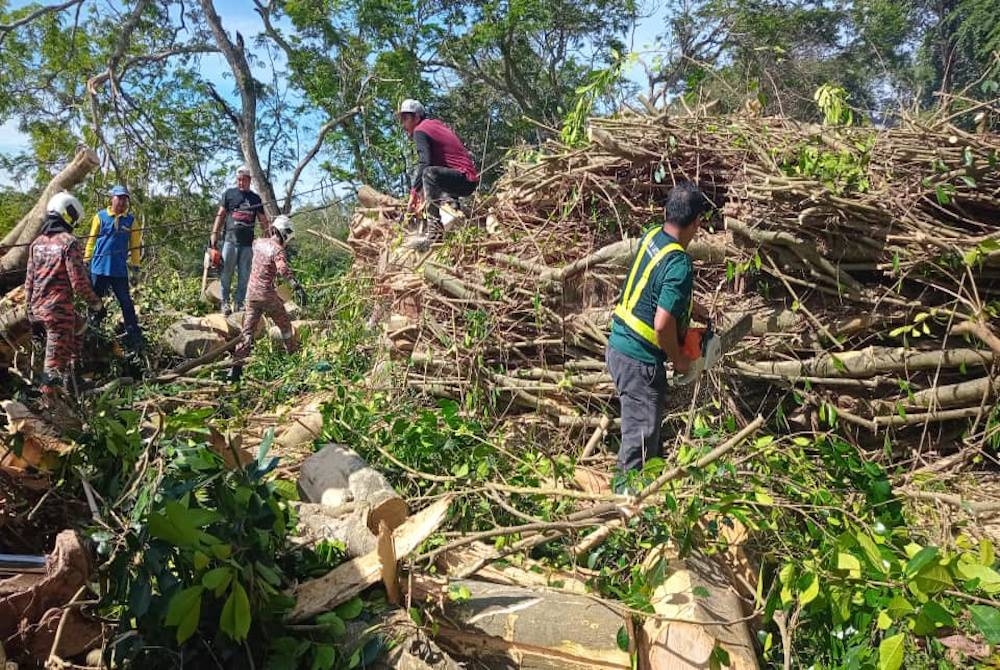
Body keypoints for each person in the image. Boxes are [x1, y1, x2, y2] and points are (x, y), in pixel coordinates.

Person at [605, 181, 712, 484]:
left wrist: (694, 307)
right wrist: (678, 358)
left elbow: (657, 286)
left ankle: (643, 495)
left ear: (666, 211)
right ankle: (624, 510)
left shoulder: (653, 235)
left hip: (618, 347)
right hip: (638, 361)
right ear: (696, 223)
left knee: (644, 434)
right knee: (639, 441)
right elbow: (663, 324)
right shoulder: (679, 263)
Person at [25, 191, 104, 396]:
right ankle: (50, 410)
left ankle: (72, 378)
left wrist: (29, 312)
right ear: (67, 213)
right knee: (52, 371)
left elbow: (29, 281)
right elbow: (79, 283)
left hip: (37, 310)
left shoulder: (37, 244)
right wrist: (97, 304)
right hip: (57, 314)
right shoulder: (69, 242)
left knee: (80, 325)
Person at [227, 215, 305, 383]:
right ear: (285, 234)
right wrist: (295, 284)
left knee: (247, 332)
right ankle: (295, 361)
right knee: (285, 325)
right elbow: (283, 269)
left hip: (251, 295)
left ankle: (236, 369)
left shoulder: (258, 243)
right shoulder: (277, 250)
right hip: (266, 295)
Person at [397, 99, 479, 249]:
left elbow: (424, 163)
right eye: (401, 119)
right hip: (464, 179)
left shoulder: (420, 130)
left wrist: (413, 193)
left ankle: (435, 233)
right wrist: (422, 193)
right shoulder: (433, 126)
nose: (403, 124)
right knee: (430, 178)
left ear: (416, 117)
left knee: (428, 173)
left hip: (463, 177)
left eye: (405, 118)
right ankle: (456, 220)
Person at [84, 184, 144, 350]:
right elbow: (91, 239)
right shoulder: (101, 216)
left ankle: (134, 335)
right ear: (112, 198)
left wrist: (135, 267)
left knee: (126, 302)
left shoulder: (131, 221)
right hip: (99, 268)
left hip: (118, 270)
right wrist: (87, 259)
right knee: (95, 301)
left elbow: (135, 247)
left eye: (125, 199)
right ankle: (91, 330)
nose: (122, 202)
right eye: (119, 198)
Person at [209, 165, 270, 315]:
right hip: (230, 242)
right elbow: (221, 215)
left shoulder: (255, 198)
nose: (240, 182)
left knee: (244, 275)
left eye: (243, 180)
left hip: (247, 245)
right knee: (226, 273)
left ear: (249, 180)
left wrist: (268, 239)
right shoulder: (229, 194)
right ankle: (224, 303)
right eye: (238, 180)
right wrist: (214, 233)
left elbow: (263, 221)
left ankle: (239, 303)